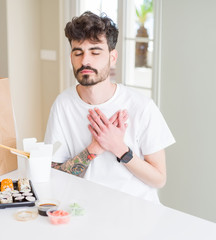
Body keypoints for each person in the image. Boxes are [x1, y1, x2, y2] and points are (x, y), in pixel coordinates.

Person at [44, 11, 175, 203]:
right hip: (85, 210)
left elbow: (159, 179)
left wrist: (119, 148)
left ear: (112, 57)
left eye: (95, 52)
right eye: (77, 53)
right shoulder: (63, 104)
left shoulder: (141, 106)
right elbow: (54, 174)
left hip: (137, 213)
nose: (85, 61)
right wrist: (93, 149)